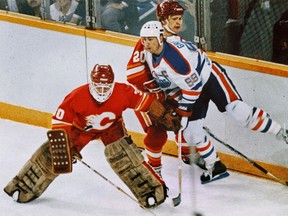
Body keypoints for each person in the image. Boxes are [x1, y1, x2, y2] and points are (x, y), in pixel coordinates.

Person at [139, 20, 288, 184]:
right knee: (191, 133)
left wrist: (182, 112)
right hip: (192, 86)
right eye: (144, 39)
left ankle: (282, 132)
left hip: (210, 77)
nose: (146, 43)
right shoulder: (148, 53)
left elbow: (193, 88)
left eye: (150, 39)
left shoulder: (174, 61)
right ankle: (214, 166)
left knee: (238, 112)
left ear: (160, 38)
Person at [3, 64, 169, 208]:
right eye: (98, 87)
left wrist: (165, 114)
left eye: (106, 87)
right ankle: (22, 186)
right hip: (81, 129)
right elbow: (60, 119)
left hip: (111, 128)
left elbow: (147, 102)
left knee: (123, 154)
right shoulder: (77, 95)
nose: (102, 92)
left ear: (112, 84)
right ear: (91, 83)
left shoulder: (123, 91)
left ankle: (151, 190)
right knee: (54, 155)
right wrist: (64, 145)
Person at [126, 0, 205, 178]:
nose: (179, 22)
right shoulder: (149, 38)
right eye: (174, 18)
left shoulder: (180, 42)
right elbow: (133, 75)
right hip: (148, 97)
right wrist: (159, 96)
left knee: (183, 122)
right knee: (157, 134)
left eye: (180, 18)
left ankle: (187, 153)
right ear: (162, 20)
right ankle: (154, 170)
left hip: (169, 95)